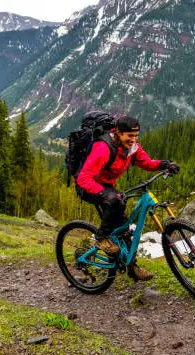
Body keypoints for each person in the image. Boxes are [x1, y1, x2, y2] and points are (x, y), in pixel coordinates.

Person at [75, 115, 180, 281]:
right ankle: (102, 238)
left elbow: (147, 162)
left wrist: (165, 164)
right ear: (118, 133)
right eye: (129, 136)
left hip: (106, 185)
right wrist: (105, 193)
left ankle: (132, 267)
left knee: (124, 228)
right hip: (87, 185)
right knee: (116, 202)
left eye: (136, 135)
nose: (133, 139)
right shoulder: (103, 148)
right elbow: (83, 178)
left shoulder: (131, 148)